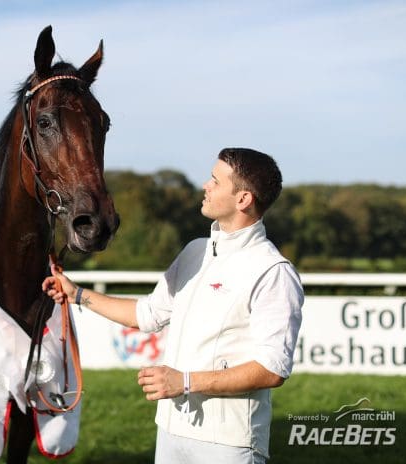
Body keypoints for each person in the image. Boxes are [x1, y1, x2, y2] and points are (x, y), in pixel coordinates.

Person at [42, 148, 303, 463]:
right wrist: (77, 294)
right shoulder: (195, 251)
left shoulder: (273, 271)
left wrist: (186, 382)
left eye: (215, 181)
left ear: (243, 199)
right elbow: (147, 314)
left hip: (229, 444)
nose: (205, 186)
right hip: (169, 431)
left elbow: (271, 369)